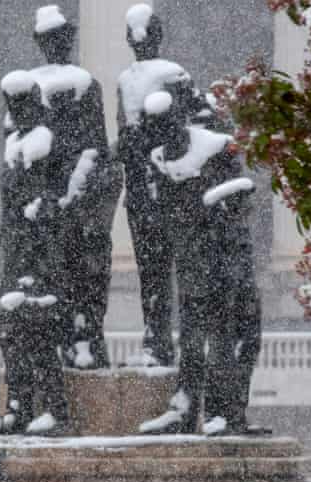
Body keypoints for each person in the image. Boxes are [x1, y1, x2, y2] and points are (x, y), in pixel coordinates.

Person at [137, 91, 263, 436]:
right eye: (158, 131)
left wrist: (216, 209)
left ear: (180, 120)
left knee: (232, 337)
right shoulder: (159, 160)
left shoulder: (217, 147)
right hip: (193, 262)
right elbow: (162, 214)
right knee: (192, 339)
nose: (166, 137)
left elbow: (242, 196)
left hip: (226, 259)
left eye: (169, 127)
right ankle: (186, 408)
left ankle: (227, 412)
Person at [117, 4, 222, 368]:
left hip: (168, 187)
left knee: (175, 269)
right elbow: (126, 133)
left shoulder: (173, 74)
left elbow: (201, 121)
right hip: (142, 189)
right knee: (153, 271)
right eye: (136, 33)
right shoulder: (126, 79)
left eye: (145, 32)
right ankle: (156, 340)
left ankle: (180, 343)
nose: (141, 39)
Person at [0, 72, 70, 436]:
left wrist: (41, 219)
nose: (19, 110)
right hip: (15, 249)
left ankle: (56, 409)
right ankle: (19, 405)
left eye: (23, 103)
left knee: (39, 333)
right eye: (13, 104)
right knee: (10, 335)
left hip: (39, 253)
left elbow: (55, 199)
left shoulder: (48, 142)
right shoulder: (15, 142)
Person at [29, 4, 116, 370]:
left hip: (76, 200)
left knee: (86, 276)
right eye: (50, 39)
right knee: (62, 277)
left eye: (60, 38)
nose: (56, 45)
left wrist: (73, 192)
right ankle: (71, 340)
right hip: (52, 200)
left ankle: (86, 339)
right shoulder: (34, 85)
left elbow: (96, 145)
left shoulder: (82, 85)